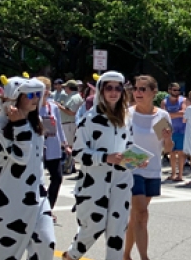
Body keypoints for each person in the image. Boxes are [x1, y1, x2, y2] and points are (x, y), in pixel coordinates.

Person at [63, 71, 138, 260]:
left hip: (121, 181)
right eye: (109, 88)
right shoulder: (89, 119)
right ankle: (72, 254)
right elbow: (78, 153)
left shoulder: (126, 118)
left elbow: (129, 145)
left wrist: (137, 159)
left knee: (117, 230)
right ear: (101, 90)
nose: (113, 92)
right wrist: (105, 157)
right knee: (93, 225)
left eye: (117, 88)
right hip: (95, 182)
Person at [0, 76, 55, 260]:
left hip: (36, 198)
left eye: (37, 95)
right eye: (29, 94)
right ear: (15, 97)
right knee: (5, 256)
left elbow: (37, 164)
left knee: (46, 246)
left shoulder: (35, 121)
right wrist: (19, 124)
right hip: (6, 203)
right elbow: (21, 157)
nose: (35, 99)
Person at [123, 75, 172, 260]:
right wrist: (132, 160)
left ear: (154, 92)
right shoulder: (127, 114)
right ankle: (144, 257)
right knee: (142, 213)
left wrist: (167, 138)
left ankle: (125, 254)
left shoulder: (161, 116)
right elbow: (121, 143)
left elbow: (167, 149)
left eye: (143, 89)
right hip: (132, 169)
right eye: (135, 89)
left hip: (153, 169)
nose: (137, 92)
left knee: (137, 216)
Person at [38, 77, 71, 223]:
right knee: (37, 180)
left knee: (57, 177)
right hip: (38, 148)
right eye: (42, 89)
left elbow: (59, 127)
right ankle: (39, 209)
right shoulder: (32, 106)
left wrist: (65, 143)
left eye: (47, 88)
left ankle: (48, 208)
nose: (45, 92)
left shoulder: (54, 107)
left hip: (53, 146)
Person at [164, 82, 188, 182]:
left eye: (178, 90)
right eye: (174, 90)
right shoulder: (164, 102)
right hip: (170, 130)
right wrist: (176, 114)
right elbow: (163, 115)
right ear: (169, 90)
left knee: (181, 153)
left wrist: (171, 114)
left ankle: (180, 175)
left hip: (182, 130)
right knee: (172, 153)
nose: (177, 92)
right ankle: (173, 173)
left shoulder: (183, 100)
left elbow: (183, 112)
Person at [58, 80, 85, 145]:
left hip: (70, 125)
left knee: (69, 145)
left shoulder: (74, 98)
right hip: (68, 125)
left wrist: (59, 106)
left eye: (65, 87)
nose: (64, 89)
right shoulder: (72, 96)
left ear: (69, 88)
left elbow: (72, 113)